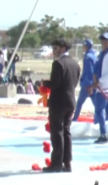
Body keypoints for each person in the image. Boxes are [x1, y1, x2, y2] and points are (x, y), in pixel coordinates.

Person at [42, 39, 80, 173]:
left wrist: (44, 83)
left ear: (63, 48)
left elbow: (55, 84)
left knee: (57, 132)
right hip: (70, 101)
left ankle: (57, 163)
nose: (53, 51)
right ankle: (67, 162)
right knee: (66, 132)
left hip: (58, 102)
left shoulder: (58, 63)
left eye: (55, 48)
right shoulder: (75, 63)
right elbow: (74, 82)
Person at [73, 39, 97, 122]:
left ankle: (75, 119)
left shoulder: (87, 57)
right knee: (96, 104)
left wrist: (89, 84)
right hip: (93, 83)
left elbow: (89, 71)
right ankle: (97, 119)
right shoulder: (94, 55)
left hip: (87, 85)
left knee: (79, 103)